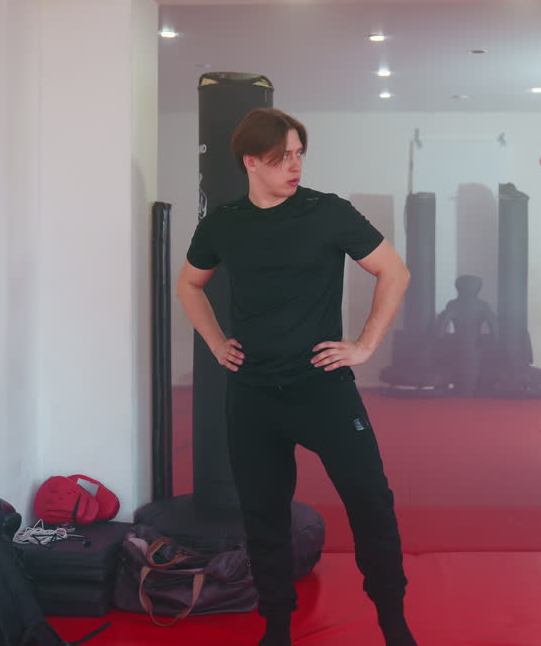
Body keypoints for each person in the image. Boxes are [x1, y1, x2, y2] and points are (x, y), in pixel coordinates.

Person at [176, 108, 417, 646]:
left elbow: (393, 271)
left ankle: (394, 624)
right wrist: (216, 343)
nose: (294, 165)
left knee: (372, 503)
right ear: (251, 162)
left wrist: (364, 345)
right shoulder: (224, 223)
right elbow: (189, 284)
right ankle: (278, 629)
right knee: (263, 517)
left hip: (322, 390)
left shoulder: (327, 213)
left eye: (299, 153)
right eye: (282, 156)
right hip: (254, 398)